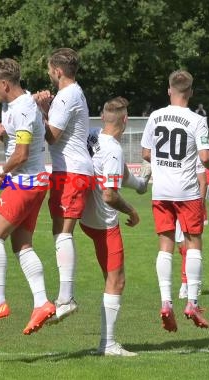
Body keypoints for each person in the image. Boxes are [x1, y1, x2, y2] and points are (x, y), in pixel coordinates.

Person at [0, 58, 55, 335]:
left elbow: (22, 154)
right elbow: (16, 143)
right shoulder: (14, 106)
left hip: (25, 182)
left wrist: (2, 172)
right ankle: (41, 302)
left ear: (5, 84)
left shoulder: (24, 108)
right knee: (22, 246)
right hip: (33, 182)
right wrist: (1, 133)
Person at [141, 69, 209, 332]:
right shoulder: (196, 120)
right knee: (193, 242)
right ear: (191, 92)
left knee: (165, 244)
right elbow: (206, 157)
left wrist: (164, 166)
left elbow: (145, 152)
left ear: (169, 90)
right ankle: (192, 302)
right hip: (186, 191)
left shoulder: (155, 116)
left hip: (161, 190)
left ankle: (166, 302)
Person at [32, 48, 94, 324]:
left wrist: (39, 110)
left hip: (72, 171)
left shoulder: (68, 95)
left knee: (64, 233)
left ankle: (66, 298)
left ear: (57, 71)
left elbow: (52, 136)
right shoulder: (72, 94)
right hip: (68, 171)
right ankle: (64, 297)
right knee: (60, 231)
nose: (48, 74)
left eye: (49, 70)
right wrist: (45, 109)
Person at [79, 97, 140, 357]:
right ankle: (108, 343)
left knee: (110, 279)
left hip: (84, 219)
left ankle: (107, 341)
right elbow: (110, 195)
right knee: (117, 280)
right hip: (105, 224)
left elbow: (118, 172)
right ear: (125, 120)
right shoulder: (115, 150)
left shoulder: (92, 135)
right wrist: (132, 210)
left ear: (102, 117)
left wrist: (138, 184)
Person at [177, 158, 207, 300]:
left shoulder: (196, 157)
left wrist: (200, 205)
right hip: (175, 204)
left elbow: (203, 182)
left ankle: (190, 284)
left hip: (191, 205)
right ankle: (187, 282)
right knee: (182, 247)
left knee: (191, 248)